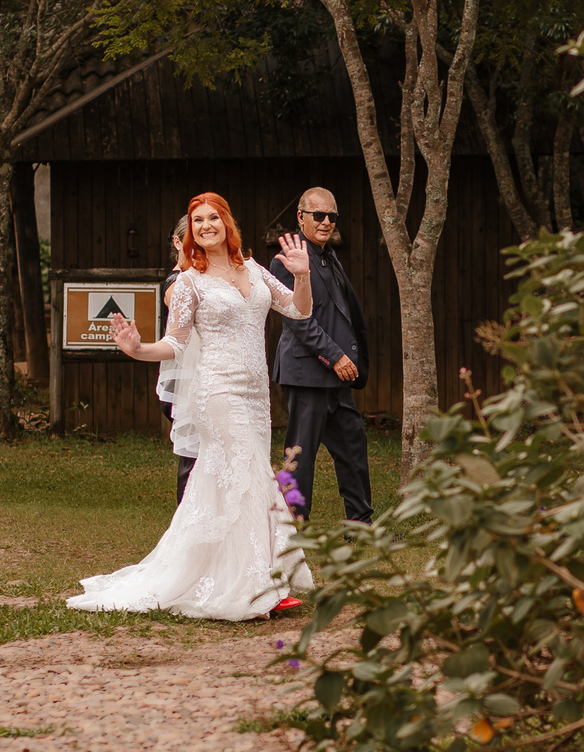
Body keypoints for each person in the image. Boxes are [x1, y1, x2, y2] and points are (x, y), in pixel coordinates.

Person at [68, 193, 314, 621]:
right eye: (197, 220)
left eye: (212, 217)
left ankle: (230, 574)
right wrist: (137, 348)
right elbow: (175, 343)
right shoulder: (188, 282)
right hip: (217, 392)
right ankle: (260, 584)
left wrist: (303, 275)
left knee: (228, 485)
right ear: (190, 233)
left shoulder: (252, 269)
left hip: (257, 396)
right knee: (253, 476)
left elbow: (298, 309)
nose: (205, 225)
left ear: (226, 222)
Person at [269, 186, 372, 526]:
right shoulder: (290, 257)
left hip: (338, 376)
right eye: (319, 215)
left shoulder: (328, 255)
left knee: (353, 447)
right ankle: (293, 527)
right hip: (307, 372)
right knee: (301, 454)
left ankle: (361, 525)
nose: (326, 222)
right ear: (301, 217)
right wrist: (335, 356)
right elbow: (298, 321)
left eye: (332, 216)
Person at [156, 214, 197, 504]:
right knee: (192, 454)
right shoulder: (177, 279)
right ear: (177, 242)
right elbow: (172, 297)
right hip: (186, 381)